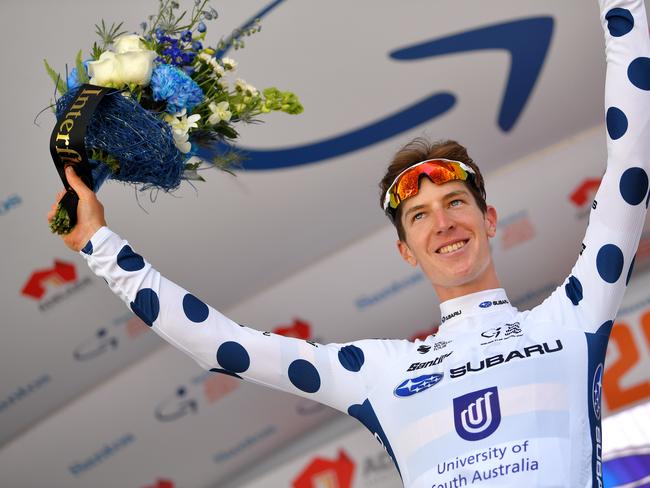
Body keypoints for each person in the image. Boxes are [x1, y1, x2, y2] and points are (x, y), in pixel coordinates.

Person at [48, 0, 649, 486]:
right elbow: (224, 347)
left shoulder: (572, 320)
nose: (443, 223)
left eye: (456, 203)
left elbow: (630, 172)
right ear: (405, 252)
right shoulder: (379, 372)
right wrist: (100, 244)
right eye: (419, 216)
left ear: (489, 219)